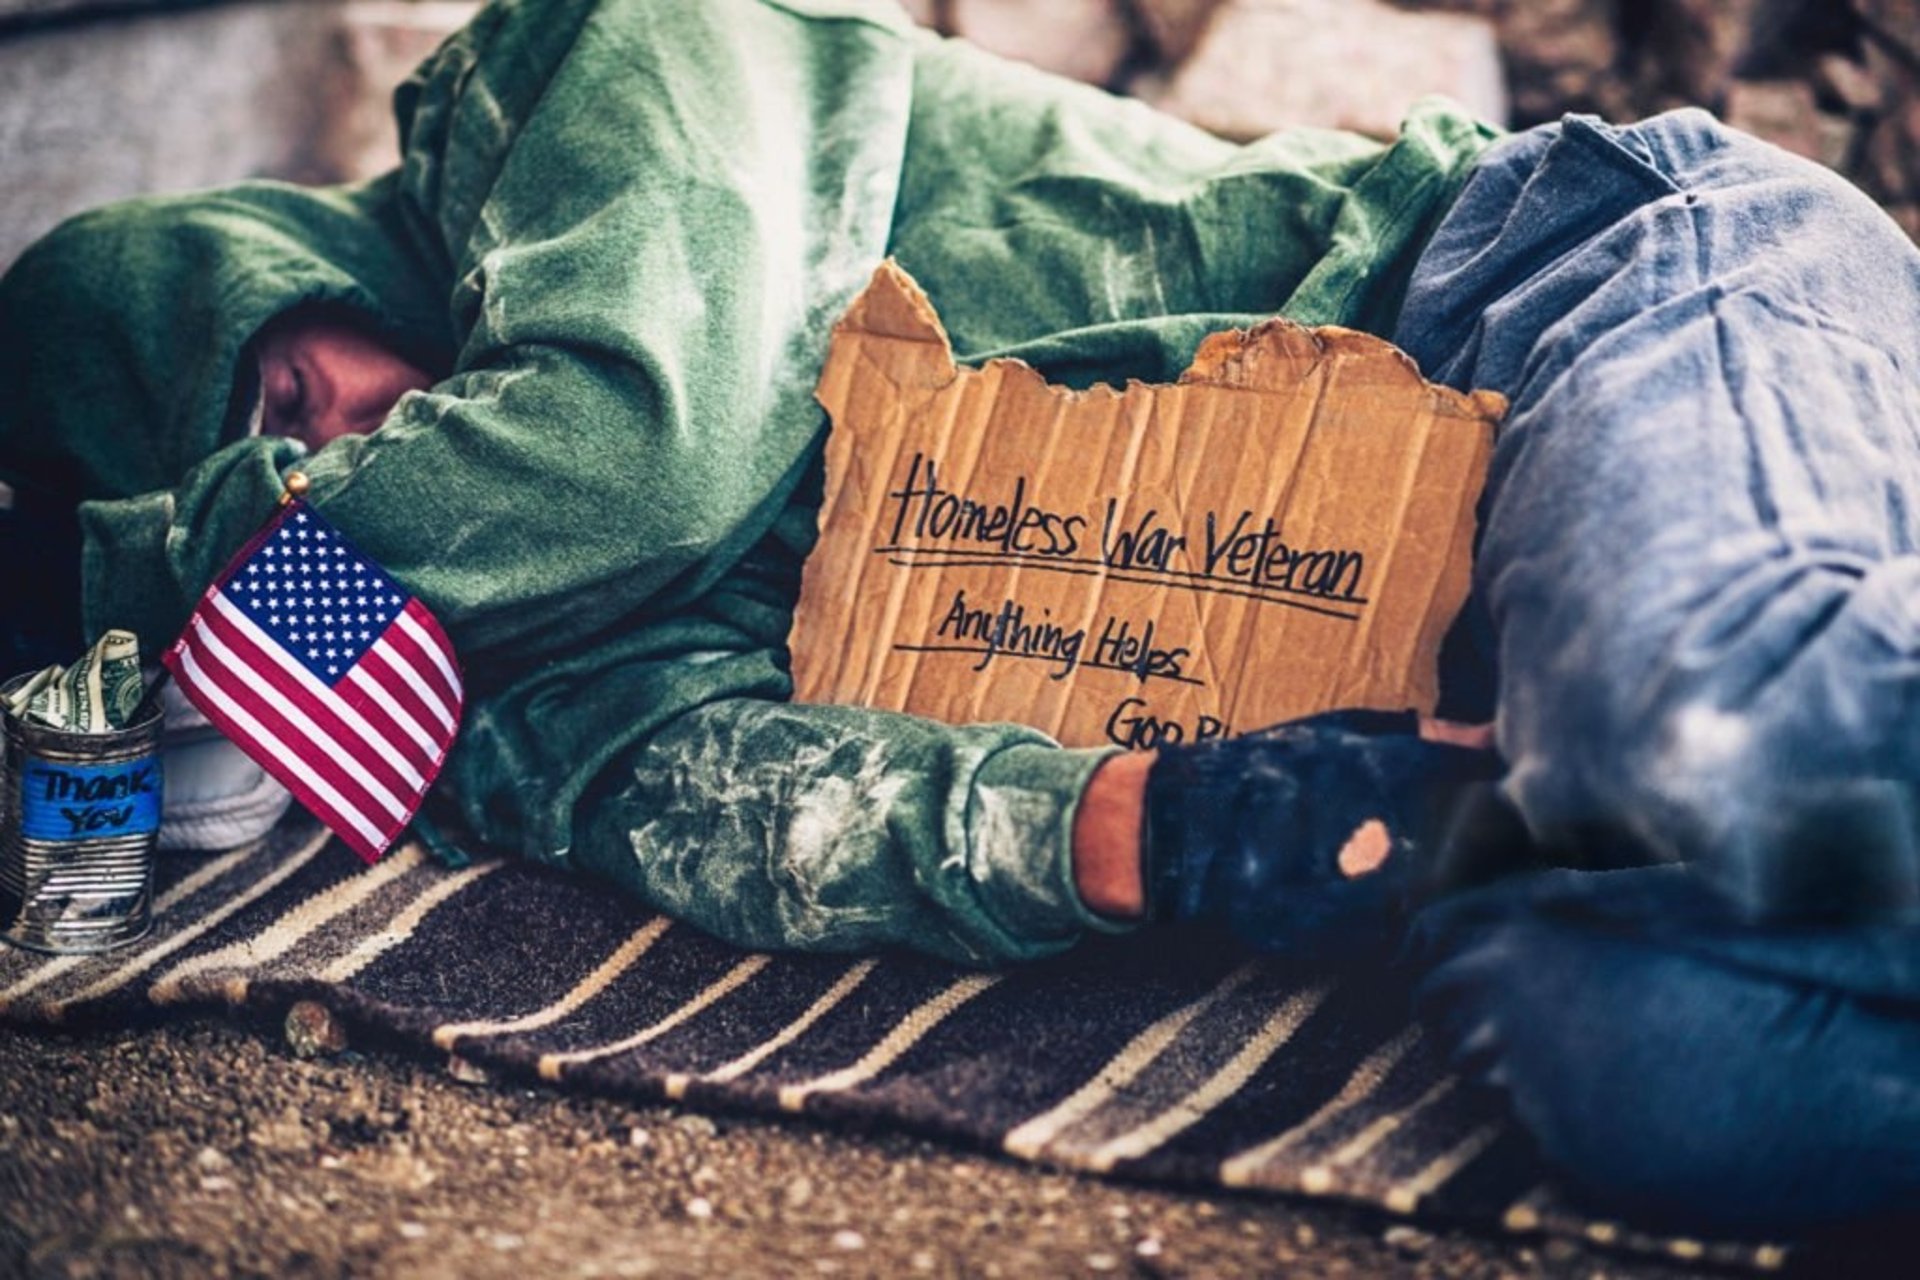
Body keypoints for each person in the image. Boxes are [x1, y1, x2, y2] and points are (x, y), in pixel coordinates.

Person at [5, 0, 1920, 1239]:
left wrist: (206, 571)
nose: (329, 474)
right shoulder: (484, 644)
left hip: (1574, 307)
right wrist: (1179, 820)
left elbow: (630, 452)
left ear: (270, 262)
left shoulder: (587, 72)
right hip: (1482, 668)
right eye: (264, 486)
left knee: (1714, 751)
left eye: (278, 404)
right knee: (1652, 1068)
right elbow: (735, 799)